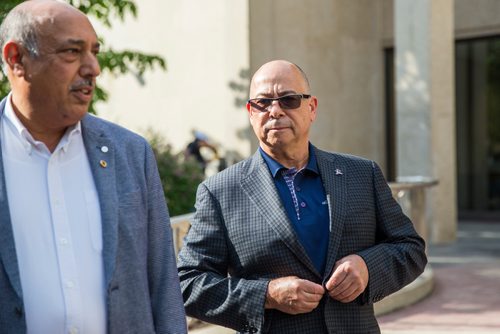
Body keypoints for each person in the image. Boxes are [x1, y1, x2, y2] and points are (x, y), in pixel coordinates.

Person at [177, 60, 427, 333]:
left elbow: (410, 248)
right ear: (251, 112)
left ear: (312, 108)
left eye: (289, 100)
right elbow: (187, 283)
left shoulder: (362, 174)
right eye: (263, 102)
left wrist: (367, 267)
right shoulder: (220, 192)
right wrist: (267, 295)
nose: (275, 110)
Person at [0, 1, 187, 333]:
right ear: (16, 59)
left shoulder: (130, 153)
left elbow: (163, 287)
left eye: (94, 52)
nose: (93, 68)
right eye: (72, 52)